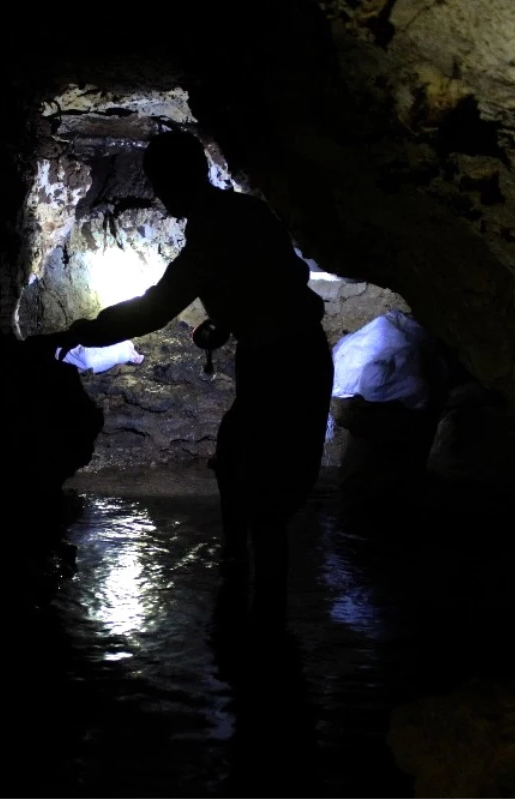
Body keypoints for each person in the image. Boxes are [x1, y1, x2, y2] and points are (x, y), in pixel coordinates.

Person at [29, 131, 333, 630]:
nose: (158, 193)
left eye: (159, 182)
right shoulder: (242, 213)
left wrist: (80, 332)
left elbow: (157, 305)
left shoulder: (215, 226)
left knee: (264, 485)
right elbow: (279, 277)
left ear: (174, 180)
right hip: (282, 352)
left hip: (286, 360)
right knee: (237, 462)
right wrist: (229, 321)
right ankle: (240, 587)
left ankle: (265, 619)